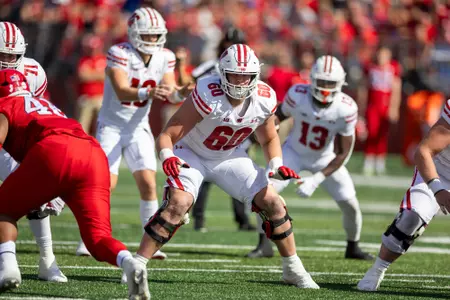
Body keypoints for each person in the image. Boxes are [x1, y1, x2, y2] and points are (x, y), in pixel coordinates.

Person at [131, 44, 320, 292]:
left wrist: (276, 165)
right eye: (235, 74)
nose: (241, 81)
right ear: (223, 73)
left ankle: (293, 268)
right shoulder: (208, 93)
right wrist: (166, 156)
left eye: (246, 75)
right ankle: (138, 264)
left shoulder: (264, 98)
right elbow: (168, 133)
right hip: (192, 153)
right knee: (177, 204)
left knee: (273, 202)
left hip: (230, 156)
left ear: (255, 75)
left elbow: (269, 138)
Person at [0, 69, 150, 299]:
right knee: (97, 239)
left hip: (55, 151)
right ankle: (130, 263)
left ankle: (8, 268)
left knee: (4, 210)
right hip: (92, 154)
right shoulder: (43, 104)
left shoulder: (5, 105)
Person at [76, 7, 188, 259]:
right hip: (111, 126)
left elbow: (171, 92)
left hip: (139, 127)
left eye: (155, 35)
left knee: (149, 184)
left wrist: (183, 91)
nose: (152, 40)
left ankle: (149, 242)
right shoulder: (119, 53)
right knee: (105, 185)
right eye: (147, 35)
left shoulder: (165, 57)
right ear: (135, 34)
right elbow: (121, 90)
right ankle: (89, 239)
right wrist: (148, 93)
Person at [246, 56, 374, 260]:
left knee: (350, 204)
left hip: (325, 157)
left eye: (330, 83)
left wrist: (316, 179)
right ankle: (264, 245)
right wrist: (273, 124)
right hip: (293, 152)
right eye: (322, 81)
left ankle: (353, 246)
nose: (325, 87)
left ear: (340, 83)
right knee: (265, 194)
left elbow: (343, 153)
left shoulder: (346, 108)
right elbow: (278, 115)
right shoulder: (298, 94)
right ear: (312, 79)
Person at [357, 98, 450, 292]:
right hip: (439, 172)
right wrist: (438, 190)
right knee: (411, 217)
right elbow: (424, 151)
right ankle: (377, 269)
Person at [0, 21, 66, 282]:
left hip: (15, 140)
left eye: (12, 55)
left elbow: (33, 113)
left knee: (35, 191)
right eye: (2, 55)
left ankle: (47, 259)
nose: (7, 61)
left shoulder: (33, 71)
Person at [190, 26, 256, 232]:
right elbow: (191, 85)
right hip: (210, 125)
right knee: (204, 175)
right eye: (230, 43)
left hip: (237, 127)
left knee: (241, 175)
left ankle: (242, 219)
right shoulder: (210, 68)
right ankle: (198, 218)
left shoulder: (249, 70)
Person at [358, 46, 402, 176]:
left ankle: (380, 161)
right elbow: (364, 88)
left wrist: (394, 107)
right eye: (379, 55)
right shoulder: (370, 68)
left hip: (385, 105)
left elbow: (396, 88)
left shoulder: (393, 68)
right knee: (371, 131)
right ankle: (369, 159)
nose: (381, 59)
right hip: (373, 105)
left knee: (382, 134)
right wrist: (362, 106)